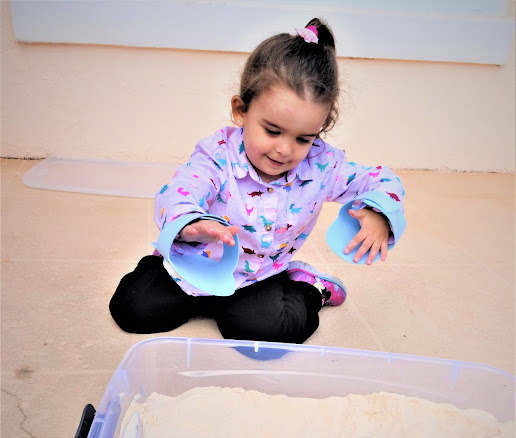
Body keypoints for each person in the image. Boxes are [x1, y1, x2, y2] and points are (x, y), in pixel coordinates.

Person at [110, 18, 406, 344]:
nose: (284, 149)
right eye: (272, 130)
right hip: (194, 262)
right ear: (241, 110)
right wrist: (188, 223)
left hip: (256, 276)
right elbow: (180, 189)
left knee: (264, 333)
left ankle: (310, 287)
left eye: (303, 138)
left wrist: (379, 211)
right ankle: (178, 279)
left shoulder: (323, 164)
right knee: (132, 308)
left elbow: (380, 178)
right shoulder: (216, 155)